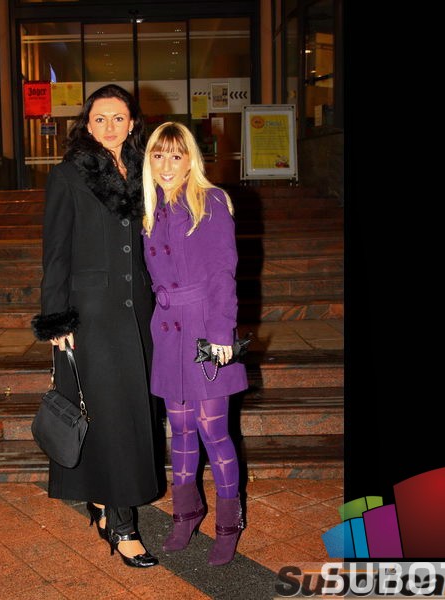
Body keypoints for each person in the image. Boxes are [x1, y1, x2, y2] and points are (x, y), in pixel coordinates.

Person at [31, 84, 160, 569]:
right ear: (87, 124)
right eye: (100, 118)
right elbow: (55, 251)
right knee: (111, 414)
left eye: (118, 118)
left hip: (140, 311)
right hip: (91, 315)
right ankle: (122, 525)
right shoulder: (68, 175)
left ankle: (105, 503)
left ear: (132, 123)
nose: (109, 126)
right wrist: (56, 318)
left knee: (134, 410)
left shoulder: (146, 170)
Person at [141, 121, 248, 566]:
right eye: (158, 155)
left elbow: (223, 270)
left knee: (212, 430)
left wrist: (223, 334)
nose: (166, 165)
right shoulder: (150, 208)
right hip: (168, 329)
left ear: (190, 160)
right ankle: (186, 514)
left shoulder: (210, 200)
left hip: (206, 327)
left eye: (176, 155)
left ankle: (229, 522)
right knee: (180, 428)